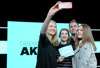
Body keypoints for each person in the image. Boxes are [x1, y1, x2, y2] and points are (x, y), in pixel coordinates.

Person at [36, 1, 62, 68]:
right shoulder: (43, 40)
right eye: (50, 26)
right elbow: (42, 32)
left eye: (54, 27)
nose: (53, 28)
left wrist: (58, 60)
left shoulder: (55, 45)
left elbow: (51, 61)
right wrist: (50, 15)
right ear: (46, 28)